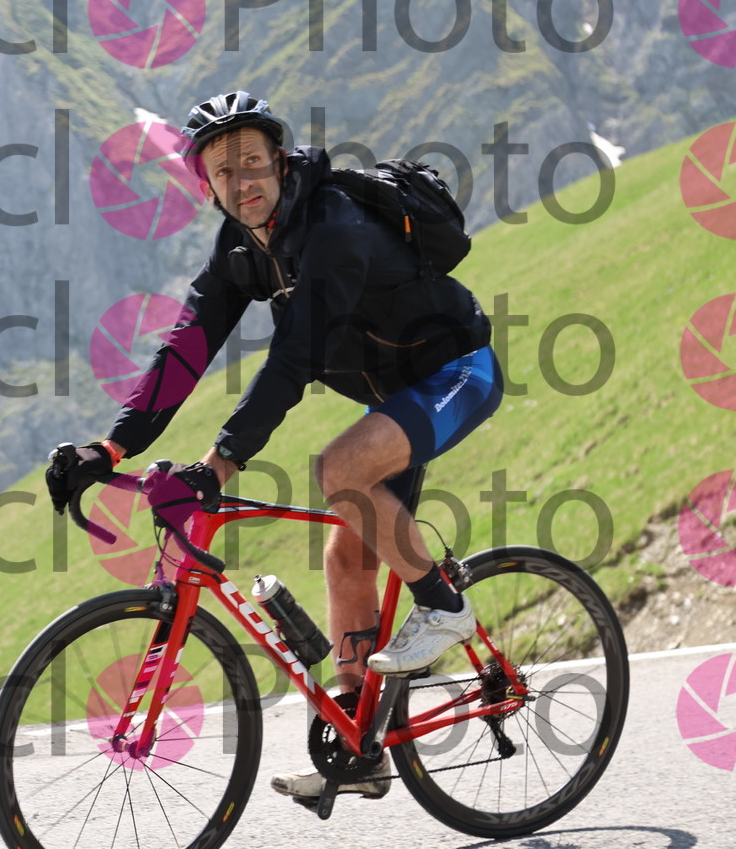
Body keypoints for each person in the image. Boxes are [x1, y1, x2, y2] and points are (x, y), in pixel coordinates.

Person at [46, 90, 503, 806]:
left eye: (253, 161)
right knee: (346, 556)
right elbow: (186, 347)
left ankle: (443, 606)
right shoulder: (242, 248)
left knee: (339, 470)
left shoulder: (334, 225)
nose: (243, 181)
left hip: (456, 373)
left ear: (280, 162)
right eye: (224, 171)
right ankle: (362, 747)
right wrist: (112, 446)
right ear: (208, 185)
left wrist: (220, 463)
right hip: (394, 396)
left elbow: (294, 358)